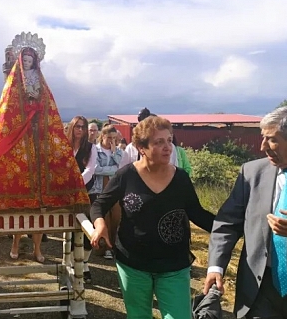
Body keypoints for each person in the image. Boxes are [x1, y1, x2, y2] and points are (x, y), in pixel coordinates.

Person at [0, 35, 89, 264]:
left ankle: (37, 247)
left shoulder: (41, 83)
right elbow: (8, 112)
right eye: (23, 59)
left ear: (36, 62)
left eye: (30, 59)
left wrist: (38, 112)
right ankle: (16, 243)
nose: (26, 63)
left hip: (39, 135)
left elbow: (48, 108)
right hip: (20, 133)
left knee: (46, 183)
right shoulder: (14, 83)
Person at [91, 116, 215, 319]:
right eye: (159, 142)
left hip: (173, 264)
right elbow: (99, 205)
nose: (168, 147)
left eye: (169, 140)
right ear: (141, 147)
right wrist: (100, 224)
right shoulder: (126, 176)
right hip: (133, 263)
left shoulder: (181, 178)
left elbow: (198, 214)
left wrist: (234, 228)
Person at [204, 106, 287, 319]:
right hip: (259, 290)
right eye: (263, 138)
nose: (262, 146)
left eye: (271, 140)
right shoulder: (251, 173)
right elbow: (227, 223)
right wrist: (215, 267)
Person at [66, 115, 97, 283]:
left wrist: (77, 184)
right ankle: (70, 262)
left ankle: (85, 263)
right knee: (70, 227)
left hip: (86, 191)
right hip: (67, 192)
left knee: (87, 226)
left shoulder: (91, 148)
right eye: (77, 126)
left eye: (83, 127)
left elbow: (90, 169)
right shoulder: (64, 146)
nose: (80, 129)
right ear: (72, 127)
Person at [88, 124, 123, 259]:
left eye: (114, 138)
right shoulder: (95, 150)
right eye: (109, 137)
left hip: (115, 188)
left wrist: (114, 152)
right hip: (99, 187)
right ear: (102, 136)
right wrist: (113, 168)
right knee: (103, 218)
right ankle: (103, 247)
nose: (111, 141)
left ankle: (113, 246)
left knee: (116, 218)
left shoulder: (118, 151)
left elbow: (120, 167)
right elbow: (96, 169)